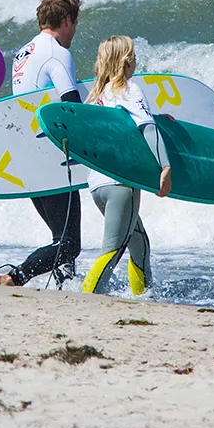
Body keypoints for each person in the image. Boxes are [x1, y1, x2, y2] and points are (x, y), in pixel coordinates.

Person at [0, 0, 83, 288]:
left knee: (61, 239)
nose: (74, 32)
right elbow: (71, 107)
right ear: (66, 20)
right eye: (75, 24)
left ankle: (64, 286)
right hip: (50, 157)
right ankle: (15, 277)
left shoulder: (23, 53)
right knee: (69, 244)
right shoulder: (57, 53)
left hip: (26, 157)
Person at [81, 35, 172, 296]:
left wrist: (155, 117)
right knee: (113, 249)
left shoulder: (97, 96)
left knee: (139, 243)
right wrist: (165, 167)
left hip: (97, 185)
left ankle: (144, 295)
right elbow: (147, 129)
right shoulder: (129, 88)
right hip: (122, 184)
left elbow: (118, 129)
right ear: (125, 61)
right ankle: (86, 297)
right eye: (132, 54)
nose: (135, 59)